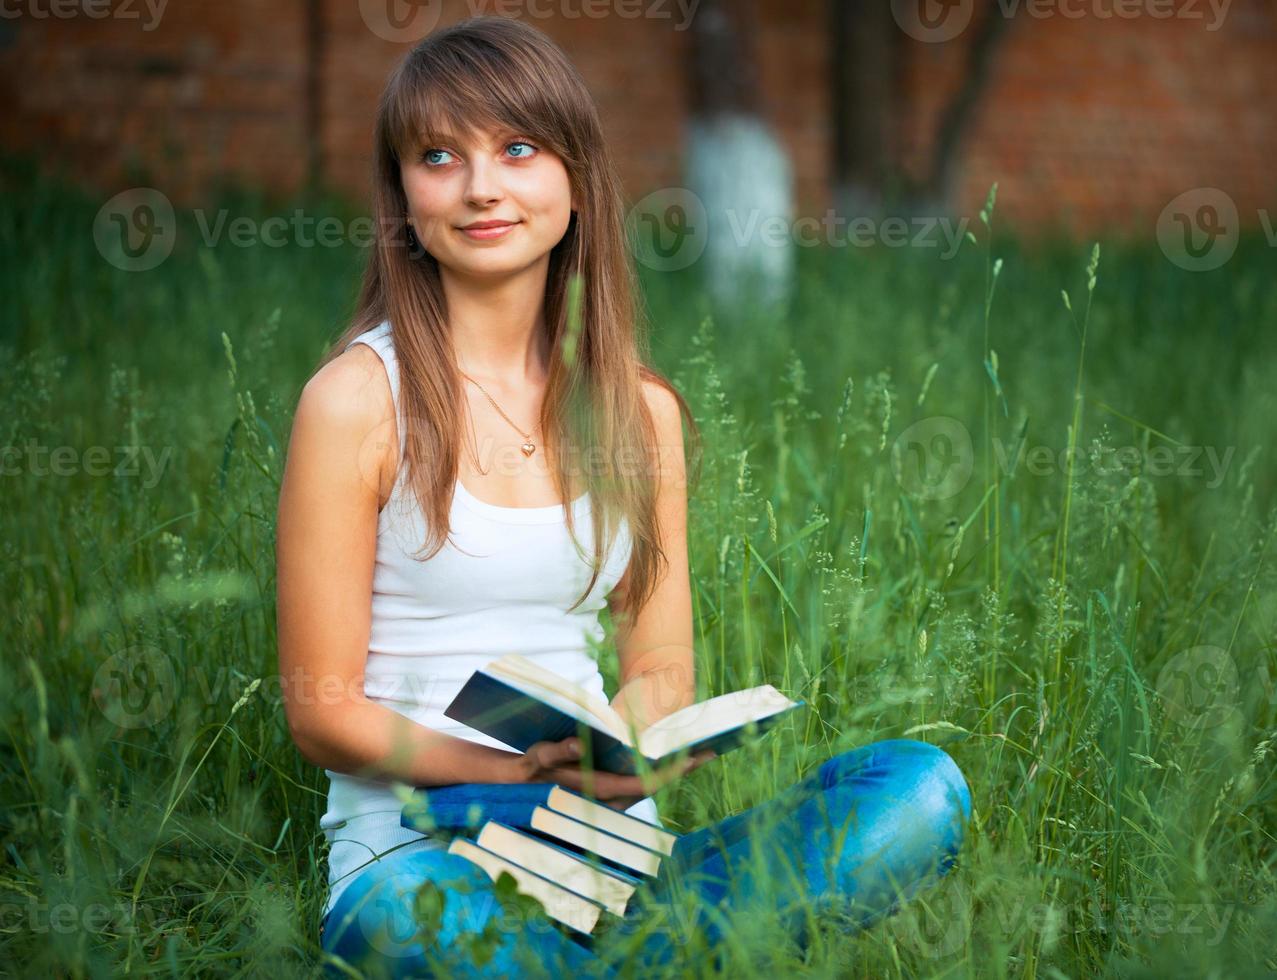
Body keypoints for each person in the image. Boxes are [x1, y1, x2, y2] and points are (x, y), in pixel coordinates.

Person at [275, 15, 971, 978]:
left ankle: (625, 954)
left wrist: (638, 743)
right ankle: (669, 962)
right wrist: (510, 774)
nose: (481, 186)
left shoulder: (640, 415)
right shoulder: (354, 401)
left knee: (918, 788)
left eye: (517, 148)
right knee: (402, 916)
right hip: (420, 860)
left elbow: (658, 660)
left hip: (614, 860)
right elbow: (320, 712)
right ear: (402, 195)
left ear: (574, 179)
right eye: (440, 156)